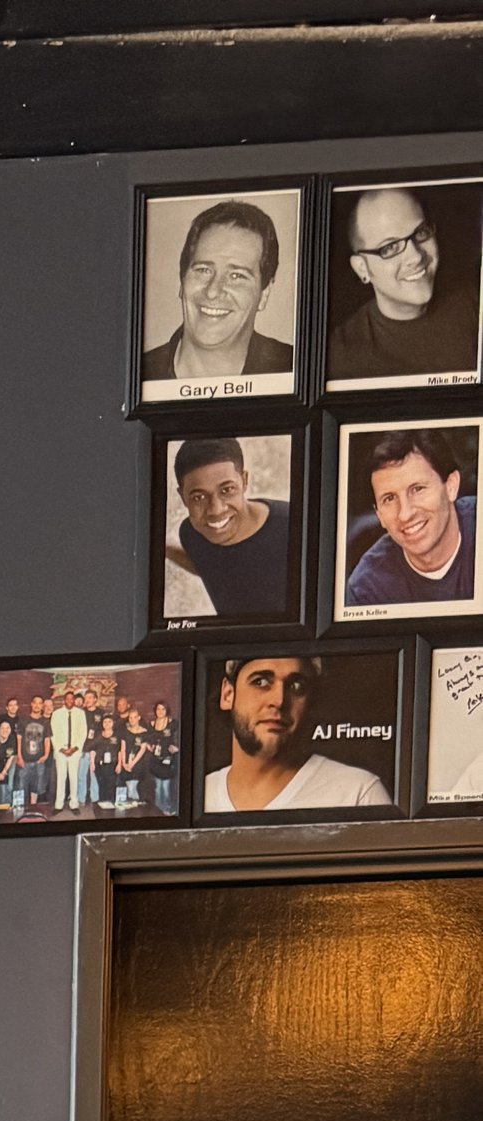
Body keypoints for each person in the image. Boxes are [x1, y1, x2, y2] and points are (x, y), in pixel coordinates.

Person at [327, 185, 483, 389]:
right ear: (361, 268)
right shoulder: (340, 356)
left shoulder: (474, 302)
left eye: (421, 233)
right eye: (390, 247)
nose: (416, 257)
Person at [204, 654, 391, 815]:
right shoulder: (200, 794)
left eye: (296, 686)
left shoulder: (358, 793)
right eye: (260, 682)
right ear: (228, 694)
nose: (278, 701)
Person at [141, 198, 293, 391]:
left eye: (236, 275)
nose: (213, 291)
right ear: (182, 280)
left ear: (264, 293)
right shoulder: (140, 375)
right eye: (203, 270)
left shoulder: (293, 369)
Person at [344, 429, 477, 612]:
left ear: (451, 486)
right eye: (389, 498)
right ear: (379, 515)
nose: (405, 514)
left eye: (418, 489)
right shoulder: (368, 588)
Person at [167, 438, 294, 622]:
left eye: (227, 490)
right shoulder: (192, 534)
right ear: (182, 497)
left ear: (244, 481)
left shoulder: (293, 529)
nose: (216, 510)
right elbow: (212, 568)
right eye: (199, 497)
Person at [50, 692, 92, 814]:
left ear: (74, 700)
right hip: (60, 751)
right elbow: (53, 733)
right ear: (64, 700)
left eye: (71, 699)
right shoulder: (57, 714)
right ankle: (59, 805)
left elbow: (83, 732)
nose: (69, 701)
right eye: (67, 699)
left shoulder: (80, 713)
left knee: (74, 778)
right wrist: (61, 748)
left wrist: (74, 748)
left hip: (75, 751)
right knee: (61, 778)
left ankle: (74, 804)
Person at [15, 703, 53, 817]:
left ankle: (32, 810)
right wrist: (19, 756)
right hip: (25, 760)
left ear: (42, 706)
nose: (37, 705)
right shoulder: (23, 720)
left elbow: (47, 740)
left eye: (39, 703)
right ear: (31, 705)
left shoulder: (45, 722)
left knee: (36, 788)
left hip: (39, 761)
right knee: (21, 787)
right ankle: (20, 813)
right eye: (35, 703)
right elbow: (19, 739)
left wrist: (46, 755)